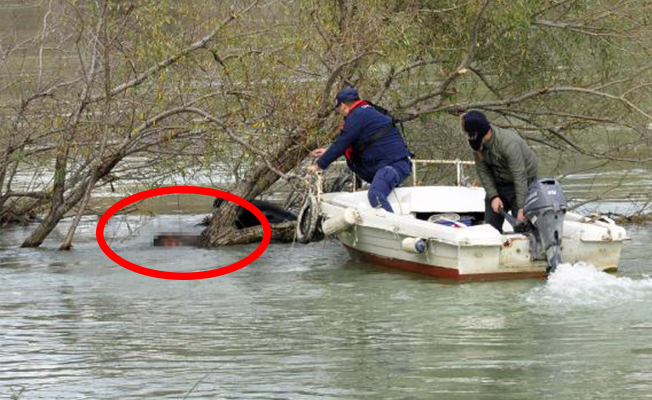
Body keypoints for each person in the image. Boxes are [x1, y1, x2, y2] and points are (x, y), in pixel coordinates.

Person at [308, 87, 412, 212]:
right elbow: (359, 142)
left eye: (339, 110)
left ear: (342, 106)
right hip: (396, 163)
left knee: (375, 194)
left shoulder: (356, 116)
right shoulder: (368, 111)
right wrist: (327, 151)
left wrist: (319, 165)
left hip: (393, 166)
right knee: (378, 192)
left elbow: (342, 142)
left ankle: (394, 227)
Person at [461, 110, 538, 233]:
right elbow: (483, 171)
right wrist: (494, 196)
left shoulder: (508, 144)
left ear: (483, 134)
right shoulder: (477, 142)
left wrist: (522, 209)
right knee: (490, 229)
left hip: (523, 183)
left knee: (523, 228)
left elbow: (520, 176)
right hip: (499, 184)